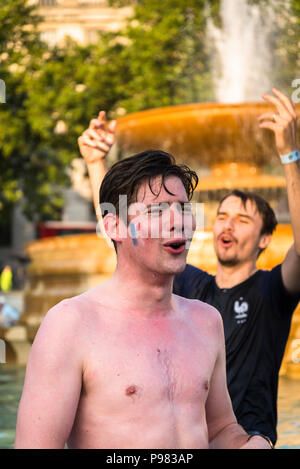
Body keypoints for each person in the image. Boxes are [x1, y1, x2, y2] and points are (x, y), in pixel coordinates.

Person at [77, 89, 300, 446]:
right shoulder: (192, 292)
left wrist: (290, 155)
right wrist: (94, 164)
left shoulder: (271, 292)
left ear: (265, 240)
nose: (227, 225)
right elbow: (124, 238)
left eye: (242, 219)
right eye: (222, 215)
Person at [15, 150, 270, 449]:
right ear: (114, 227)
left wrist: (256, 443)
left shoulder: (206, 321)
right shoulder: (71, 324)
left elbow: (219, 430)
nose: (178, 222)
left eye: (183, 209)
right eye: (158, 211)